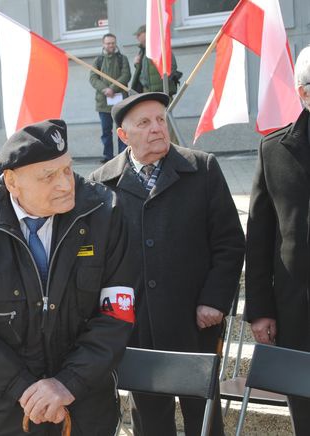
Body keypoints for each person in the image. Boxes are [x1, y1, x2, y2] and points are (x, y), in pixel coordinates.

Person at [0, 119, 136, 435]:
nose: (66, 184)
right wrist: (24, 388)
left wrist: (67, 383)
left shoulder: (104, 211)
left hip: (83, 406)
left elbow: (116, 312)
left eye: (67, 169)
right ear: (12, 182)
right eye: (48, 176)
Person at [92, 93, 245, 436]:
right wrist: (112, 318)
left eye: (160, 119)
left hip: (195, 321)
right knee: (150, 422)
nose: (157, 129)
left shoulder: (202, 168)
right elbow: (98, 260)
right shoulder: (101, 184)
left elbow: (230, 243)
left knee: (203, 420)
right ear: (123, 135)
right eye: (144, 123)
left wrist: (214, 300)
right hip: (136, 327)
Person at [245, 45, 310, 434]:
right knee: (304, 412)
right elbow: (259, 237)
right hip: (296, 312)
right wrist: (260, 309)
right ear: (304, 93)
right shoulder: (274, 150)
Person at [89, 33, 130, 163]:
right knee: (106, 132)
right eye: (108, 43)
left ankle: (123, 156)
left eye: (112, 43)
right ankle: (108, 157)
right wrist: (105, 89)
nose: (110, 45)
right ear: (103, 44)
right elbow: (93, 78)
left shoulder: (122, 59)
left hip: (120, 102)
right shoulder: (98, 60)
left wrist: (113, 88)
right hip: (103, 103)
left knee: (121, 130)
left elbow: (126, 75)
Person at [132, 25, 178, 96]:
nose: (137, 38)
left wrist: (162, 83)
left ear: (146, 33)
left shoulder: (161, 47)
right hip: (148, 92)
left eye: (138, 35)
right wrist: (136, 64)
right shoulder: (143, 51)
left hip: (162, 92)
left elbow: (172, 66)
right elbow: (144, 70)